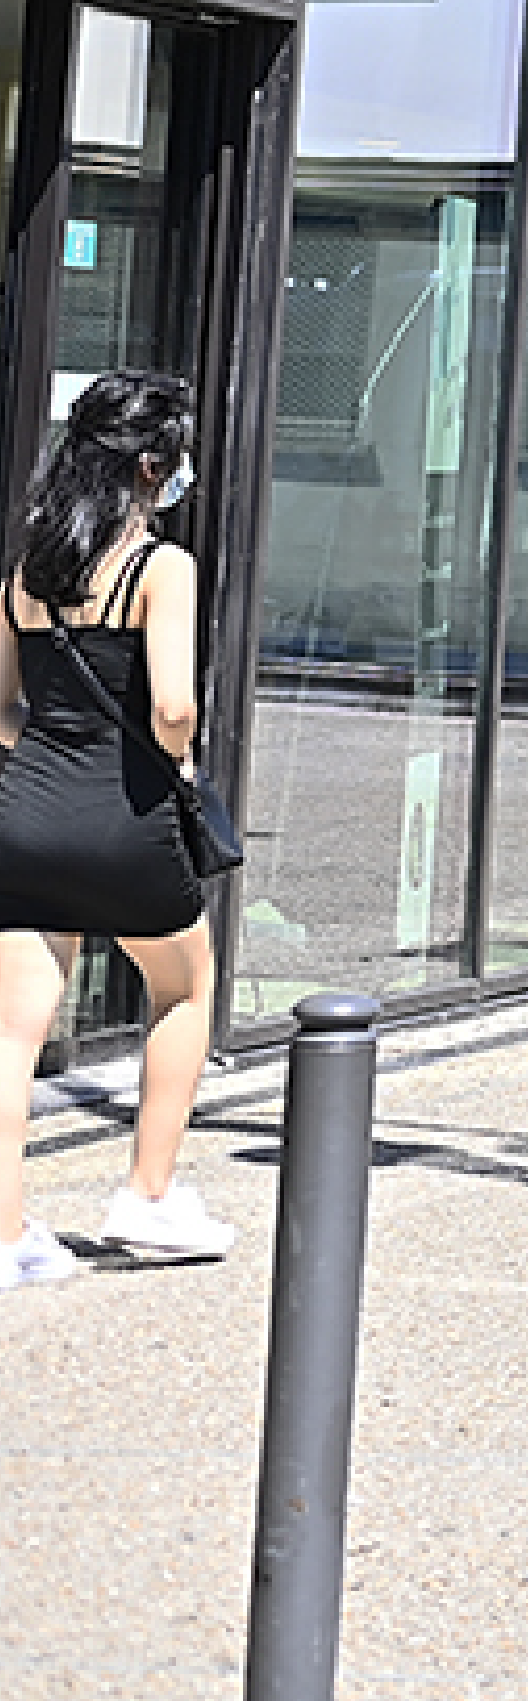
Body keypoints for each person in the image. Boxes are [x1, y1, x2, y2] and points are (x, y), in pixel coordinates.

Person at [0, 374, 232, 1282]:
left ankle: (9, 1235)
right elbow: (173, 705)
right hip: (125, 817)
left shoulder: (30, 572)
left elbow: (1, 710)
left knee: (14, 1034)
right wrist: (174, 749)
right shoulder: (159, 566)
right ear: (148, 467)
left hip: (26, 818)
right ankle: (148, 1197)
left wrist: (53, 739)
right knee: (183, 988)